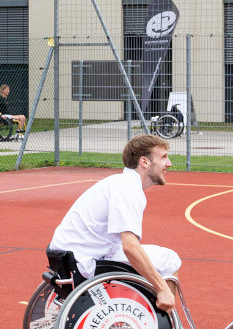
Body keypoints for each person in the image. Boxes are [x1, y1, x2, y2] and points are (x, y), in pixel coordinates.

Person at [48, 134, 180, 313]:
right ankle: (166, 327)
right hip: (85, 261)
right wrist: (163, 289)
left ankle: (154, 315)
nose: (169, 163)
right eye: (163, 157)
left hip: (69, 254)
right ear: (145, 162)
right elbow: (130, 247)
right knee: (169, 260)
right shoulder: (128, 189)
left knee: (153, 260)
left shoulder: (118, 182)